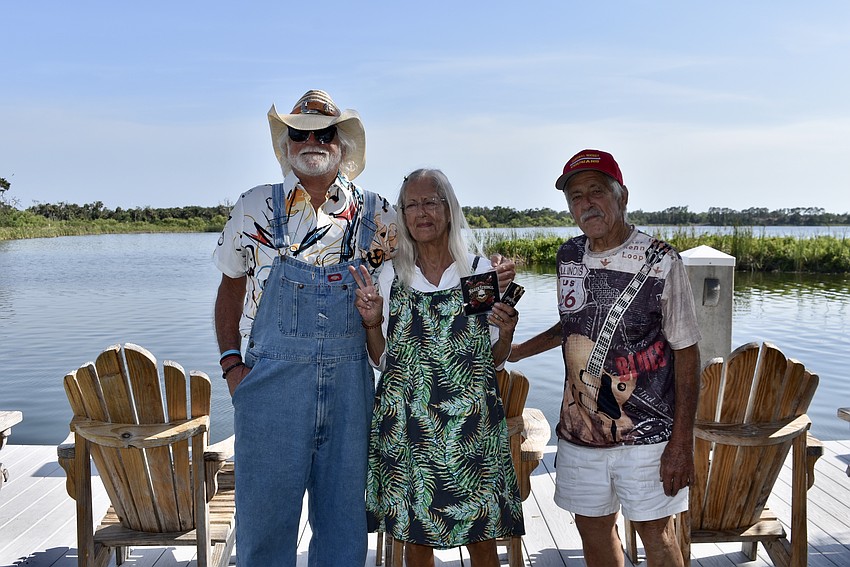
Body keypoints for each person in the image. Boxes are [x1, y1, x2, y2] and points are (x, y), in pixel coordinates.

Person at [212, 90, 399, 566]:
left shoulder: (379, 214)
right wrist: (233, 368)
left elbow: (413, 288)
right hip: (267, 385)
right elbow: (230, 289)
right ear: (287, 143)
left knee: (343, 524)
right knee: (265, 526)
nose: (312, 140)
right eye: (300, 131)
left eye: (325, 132)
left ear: (343, 145)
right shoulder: (254, 206)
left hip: (351, 387)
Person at [509, 150, 701, 567]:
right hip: (582, 432)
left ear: (623, 196)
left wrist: (682, 443)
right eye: (576, 196)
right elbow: (574, 325)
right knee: (592, 528)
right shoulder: (568, 256)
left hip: (648, 437)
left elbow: (687, 351)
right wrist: (520, 350)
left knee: (657, 534)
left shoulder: (663, 261)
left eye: (597, 191)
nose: (586, 203)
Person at [349, 168, 525, 567]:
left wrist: (508, 332)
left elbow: (490, 359)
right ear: (403, 214)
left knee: (482, 537)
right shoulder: (394, 274)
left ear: (448, 208)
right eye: (411, 205)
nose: (421, 212)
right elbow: (381, 361)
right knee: (416, 539)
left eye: (430, 202)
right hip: (408, 427)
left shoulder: (480, 270)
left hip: (470, 430)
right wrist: (373, 321)